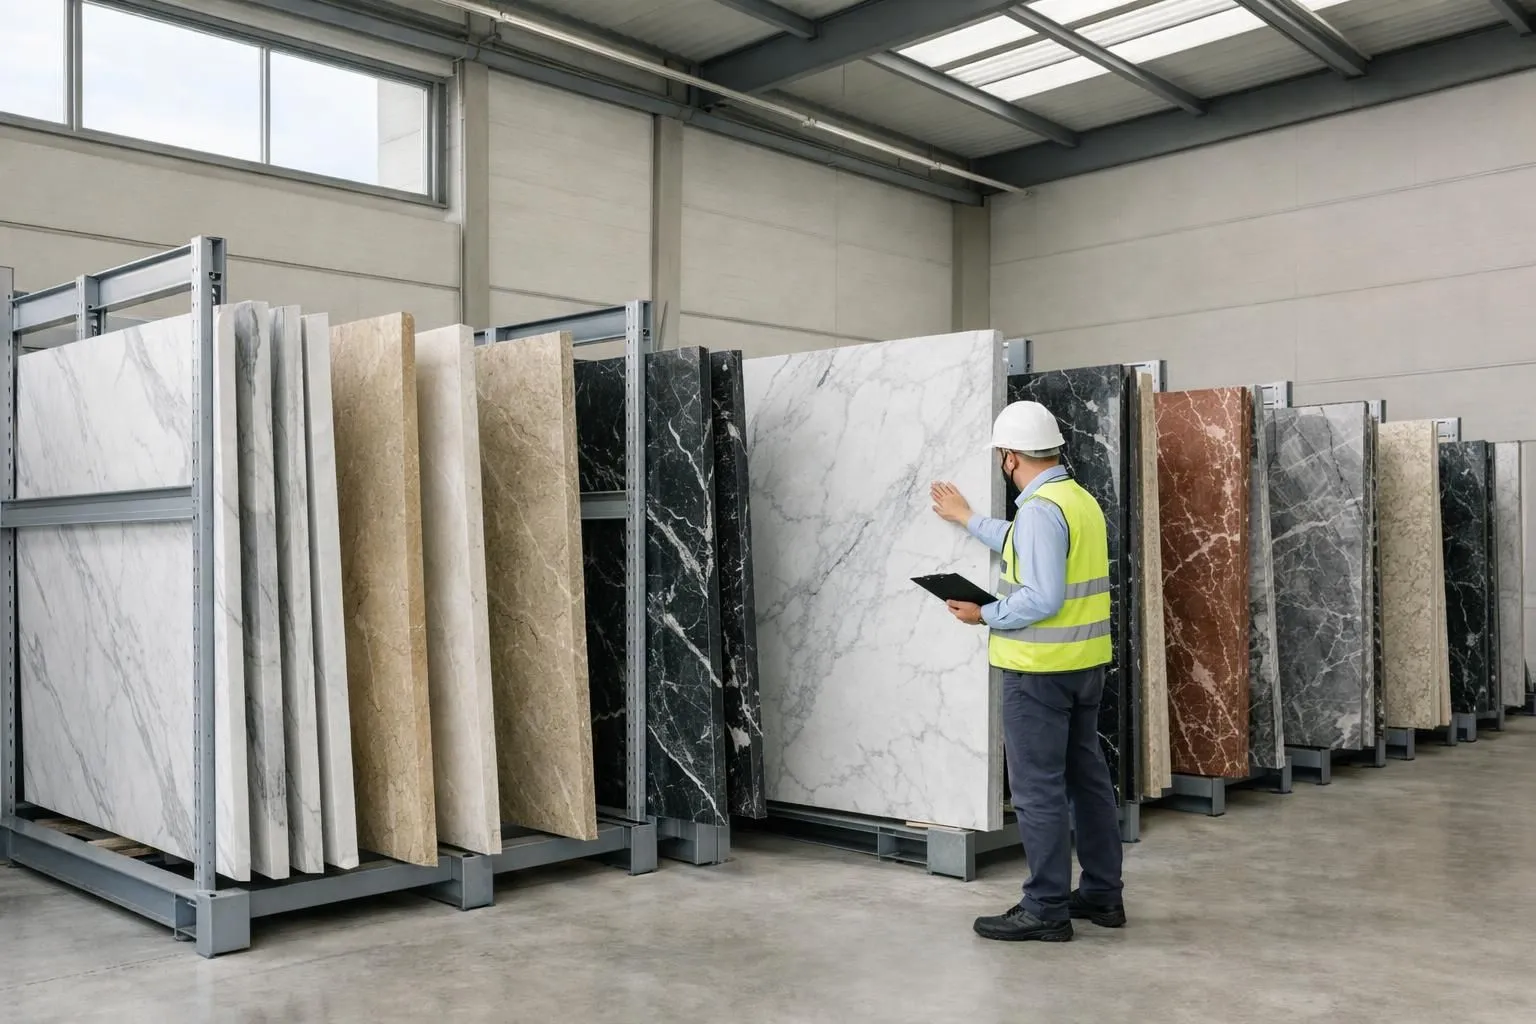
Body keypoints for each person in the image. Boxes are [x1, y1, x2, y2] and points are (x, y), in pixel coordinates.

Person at [929, 399, 1125, 943]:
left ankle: (1045, 908)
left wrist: (983, 613)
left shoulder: (1040, 510)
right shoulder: (1075, 500)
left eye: (1000, 457)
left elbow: (1040, 595)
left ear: (1011, 457)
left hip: (1037, 672)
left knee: (1038, 790)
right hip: (1082, 666)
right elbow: (1025, 544)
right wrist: (967, 519)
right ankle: (1103, 896)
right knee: (1088, 782)